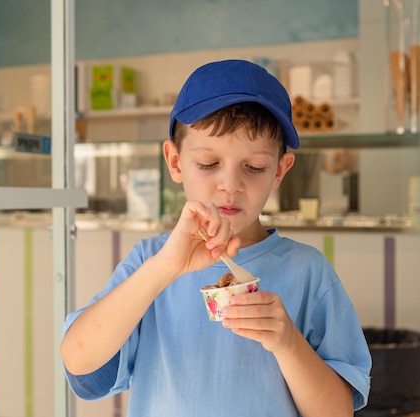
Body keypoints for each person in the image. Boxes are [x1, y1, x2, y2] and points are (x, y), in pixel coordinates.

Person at [60, 59, 371, 417]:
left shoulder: (308, 272)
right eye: (208, 164)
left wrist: (288, 343)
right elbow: (78, 358)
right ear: (175, 163)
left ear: (279, 171)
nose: (231, 185)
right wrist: (164, 268)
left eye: (254, 167)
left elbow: (336, 412)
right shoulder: (150, 261)